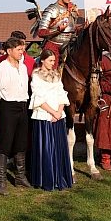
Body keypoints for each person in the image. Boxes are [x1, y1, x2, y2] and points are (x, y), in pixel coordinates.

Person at [0, 37, 30, 195]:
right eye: (19, 49)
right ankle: (1, 180)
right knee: (4, 143)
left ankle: (20, 176)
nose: (22, 52)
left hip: (22, 106)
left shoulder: (23, 67)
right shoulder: (2, 68)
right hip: (7, 108)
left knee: (21, 142)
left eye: (22, 49)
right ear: (9, 51)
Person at [29, 49, 74, 190]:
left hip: (58, 116)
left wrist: (59, 111)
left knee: (59, 148)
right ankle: (47, 178)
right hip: (44, 116)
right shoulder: (36, 76)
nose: (53, 63)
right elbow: (38, 97)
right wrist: (52, 113)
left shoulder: (56, 75)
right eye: (50, 60)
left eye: (54, 61)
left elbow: (61, 93)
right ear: (42, 60)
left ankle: (60, 176)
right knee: (47, 149)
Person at [37, 0, 82, 67]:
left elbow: (72, 29)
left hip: (69, 45)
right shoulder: (52, 9)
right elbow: (41, 32)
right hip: (53, 46)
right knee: (51, 70)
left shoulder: (72, 9)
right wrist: (58, 30)